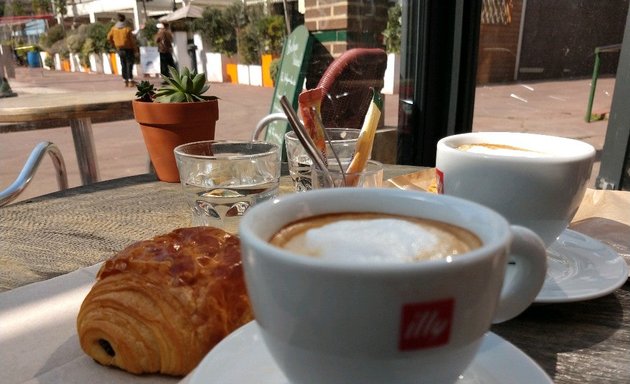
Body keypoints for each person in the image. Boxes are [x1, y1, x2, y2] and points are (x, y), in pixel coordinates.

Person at [107, 13, 137, 87]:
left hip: (119, 49)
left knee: (123, 64)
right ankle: (130, 80)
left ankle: (125, 80)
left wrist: (113, 44)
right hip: (129, 49)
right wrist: (135, 49)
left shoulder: (113, 29)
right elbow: (132, 41)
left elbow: (108, 37)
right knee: (129, 64)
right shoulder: (127, 29)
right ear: (124, 19)